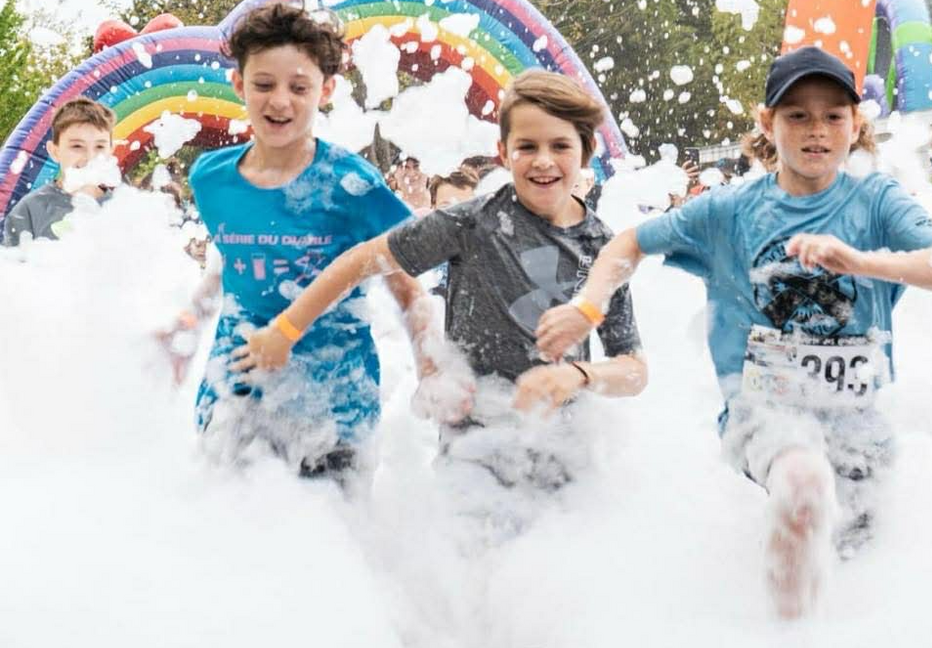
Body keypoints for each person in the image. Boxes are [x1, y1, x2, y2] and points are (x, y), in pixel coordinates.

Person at [534, 46, 932, 619]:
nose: (816, 130)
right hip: (763, 414)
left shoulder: (877, 203)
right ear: (767, 123)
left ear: (855, 124)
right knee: (802, 481)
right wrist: (588, 307)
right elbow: (629, 242)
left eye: (833, 116)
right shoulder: (728, 210)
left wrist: (862, 262)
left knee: (858, 579)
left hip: (860, 427)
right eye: (797, 115)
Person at [235, 69, 646, 500]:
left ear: (586, 150)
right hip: (475, 459)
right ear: (503, 152)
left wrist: (579, 375)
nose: (543, 160)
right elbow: (359, 261)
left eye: (560, 146)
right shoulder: (473, 222)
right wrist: (286, 330)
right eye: (527, 146)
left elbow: (634, 369)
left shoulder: (602, 246)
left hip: (564, 461)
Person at [156, 4, 422, 482]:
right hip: (236, 390)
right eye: (264, 84)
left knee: (327, 526)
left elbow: (405, 280)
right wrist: (188, 325)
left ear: (326, 90)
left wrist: (433, 366)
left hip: (333, 403)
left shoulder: (351, 183)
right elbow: (230, 261)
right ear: (239, 84)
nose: (280, 101)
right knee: (224, 518)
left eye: (299, 88)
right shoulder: (211, 178)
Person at [2, 97, 117, 246]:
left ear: (111, 151)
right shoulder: (30, 210)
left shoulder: (122, 207)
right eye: (77, 146)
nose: (89, 157)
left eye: (100, 147)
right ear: (54, 151)